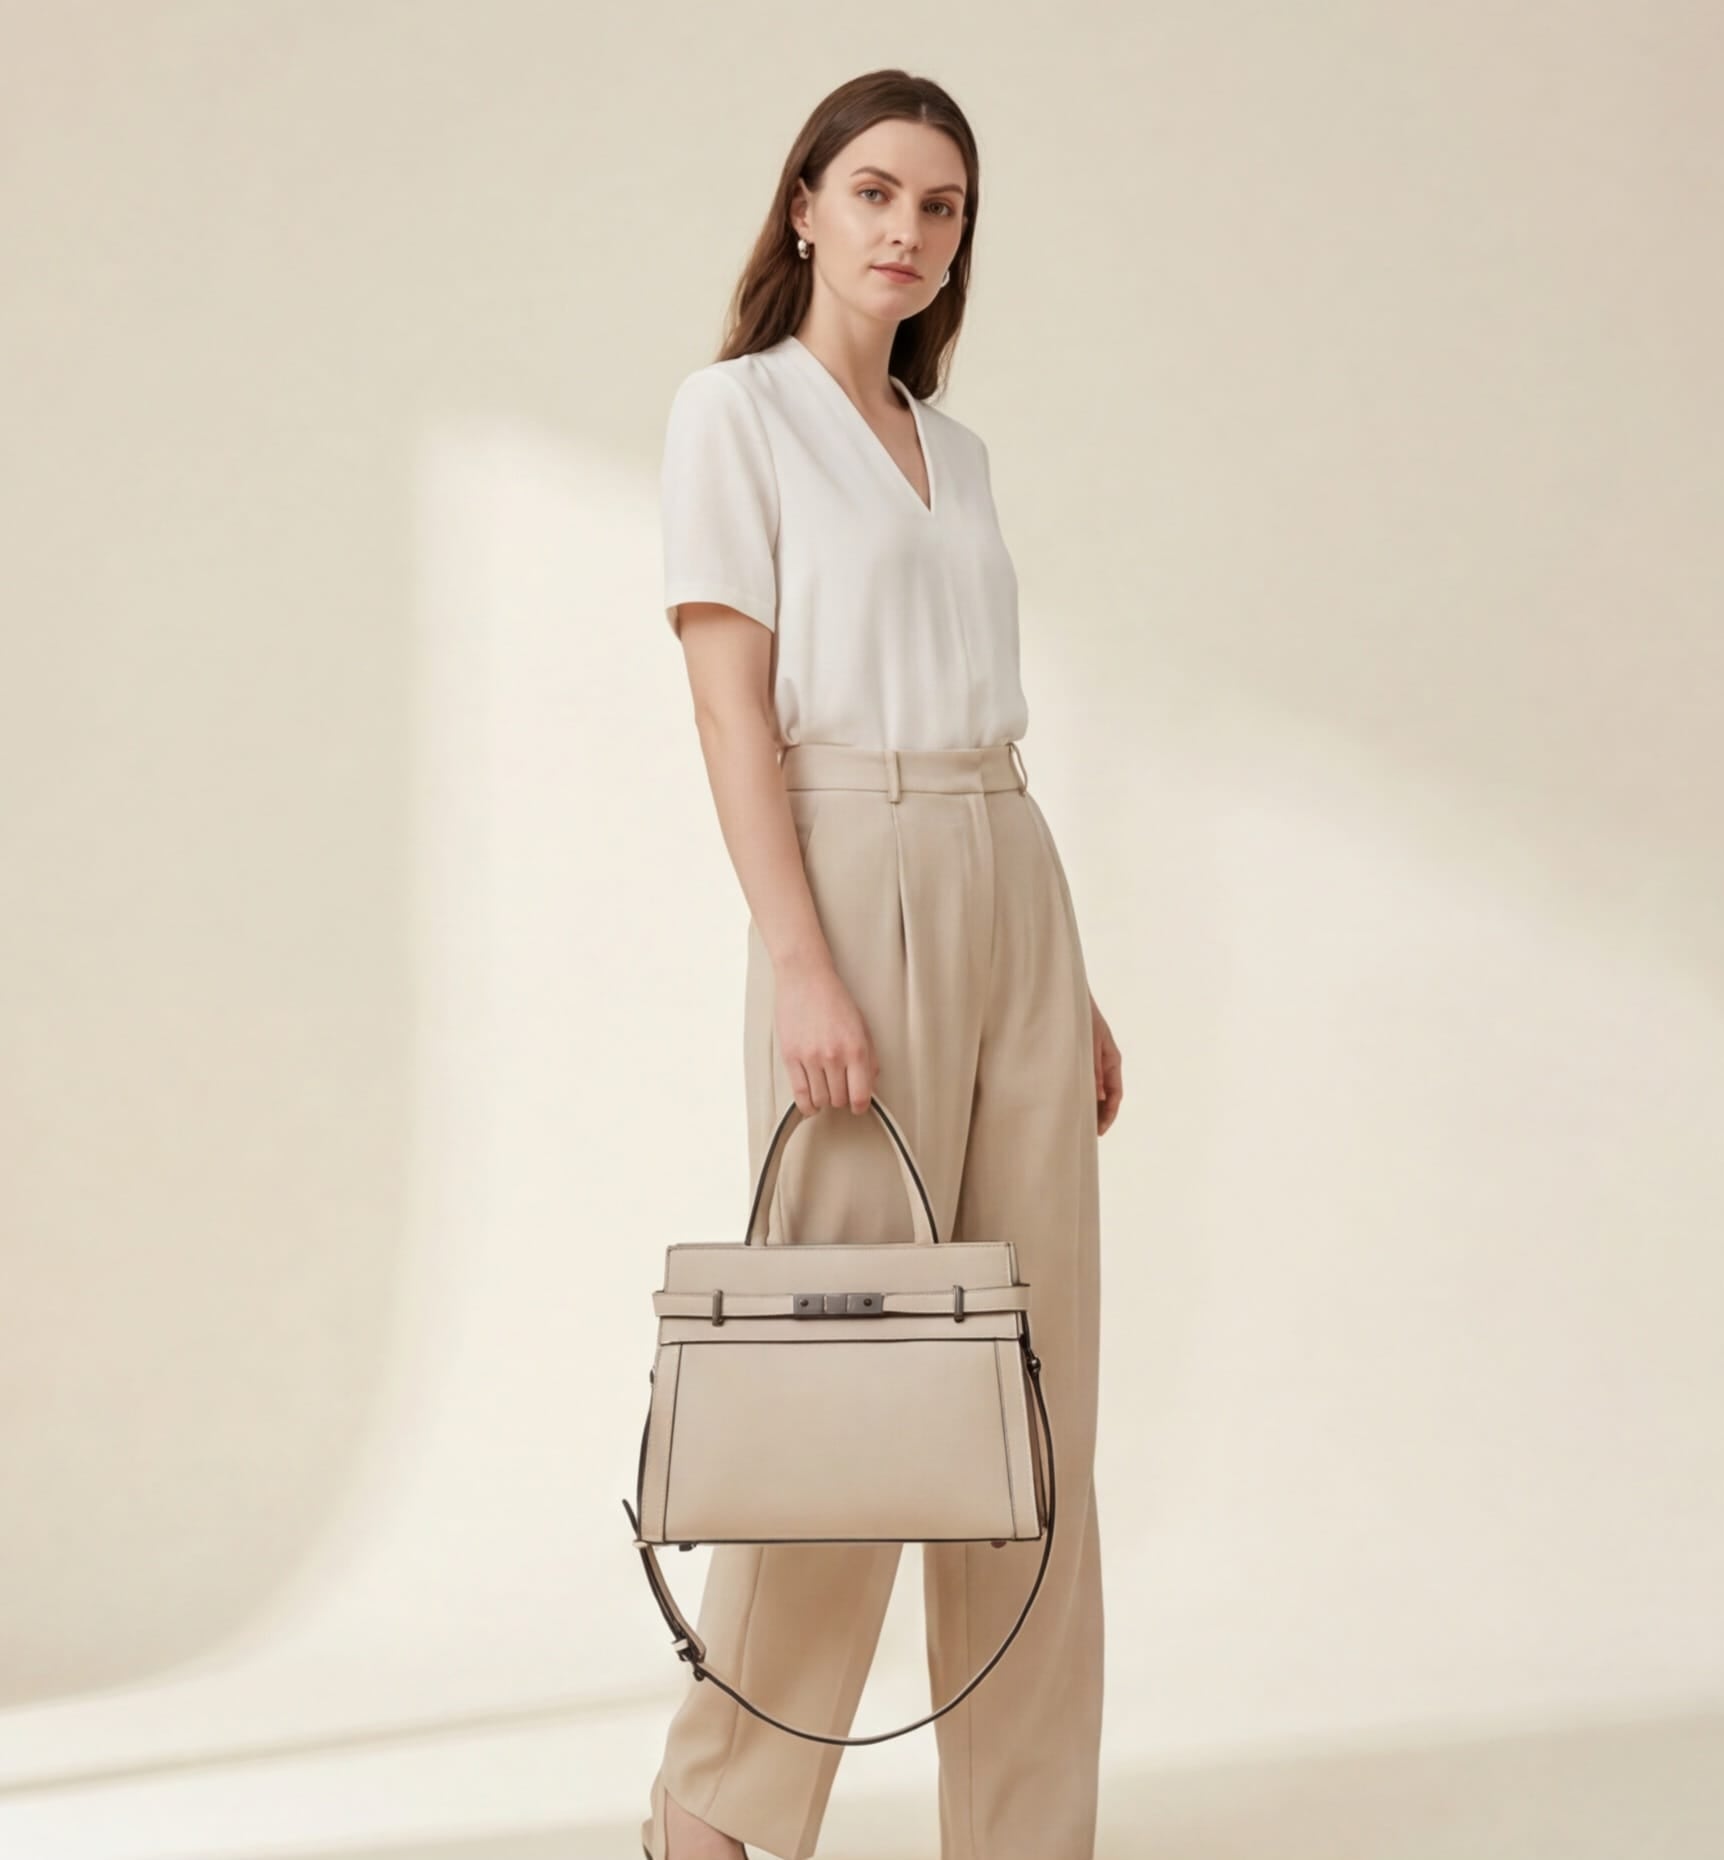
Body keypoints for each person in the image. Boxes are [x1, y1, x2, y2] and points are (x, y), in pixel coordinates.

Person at [642, 66, 1124, 1860]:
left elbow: (989, 723)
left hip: (1010, 874)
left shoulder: (956, 450)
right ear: (804, 206)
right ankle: (722, 1809)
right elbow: (730, 712)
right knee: (847, 1382)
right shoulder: (735, 414)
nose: (907, 231)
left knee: (1033, 1395)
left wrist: (1066, 977)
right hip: (847, 870)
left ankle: (1024, 1834)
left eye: (940, 206)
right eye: (874, 192)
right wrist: (801, 963)